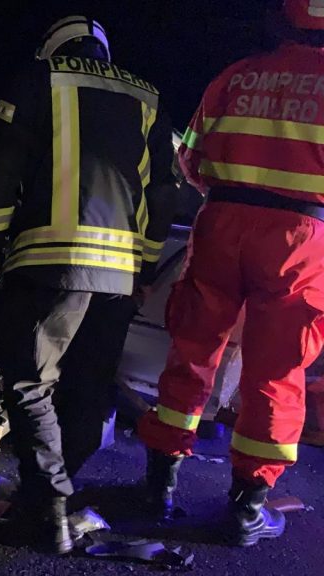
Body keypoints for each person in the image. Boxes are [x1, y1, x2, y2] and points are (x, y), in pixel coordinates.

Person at [0, 16, 176, 553]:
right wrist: (146, 269)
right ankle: (48, 498)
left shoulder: (39, 79)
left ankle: (49, 507)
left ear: (51, 47)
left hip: (48, 262)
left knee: (29, 385)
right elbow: (163, 193)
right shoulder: (147, 96)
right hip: (119, 274)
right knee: (89, 387)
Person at [139, 0, 324, 547]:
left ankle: (158, 486)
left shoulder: (237, 74)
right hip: (300, 236)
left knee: (193, 347)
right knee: (276, 369)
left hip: (221, 219)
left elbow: (190, 161)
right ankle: (247, 511)